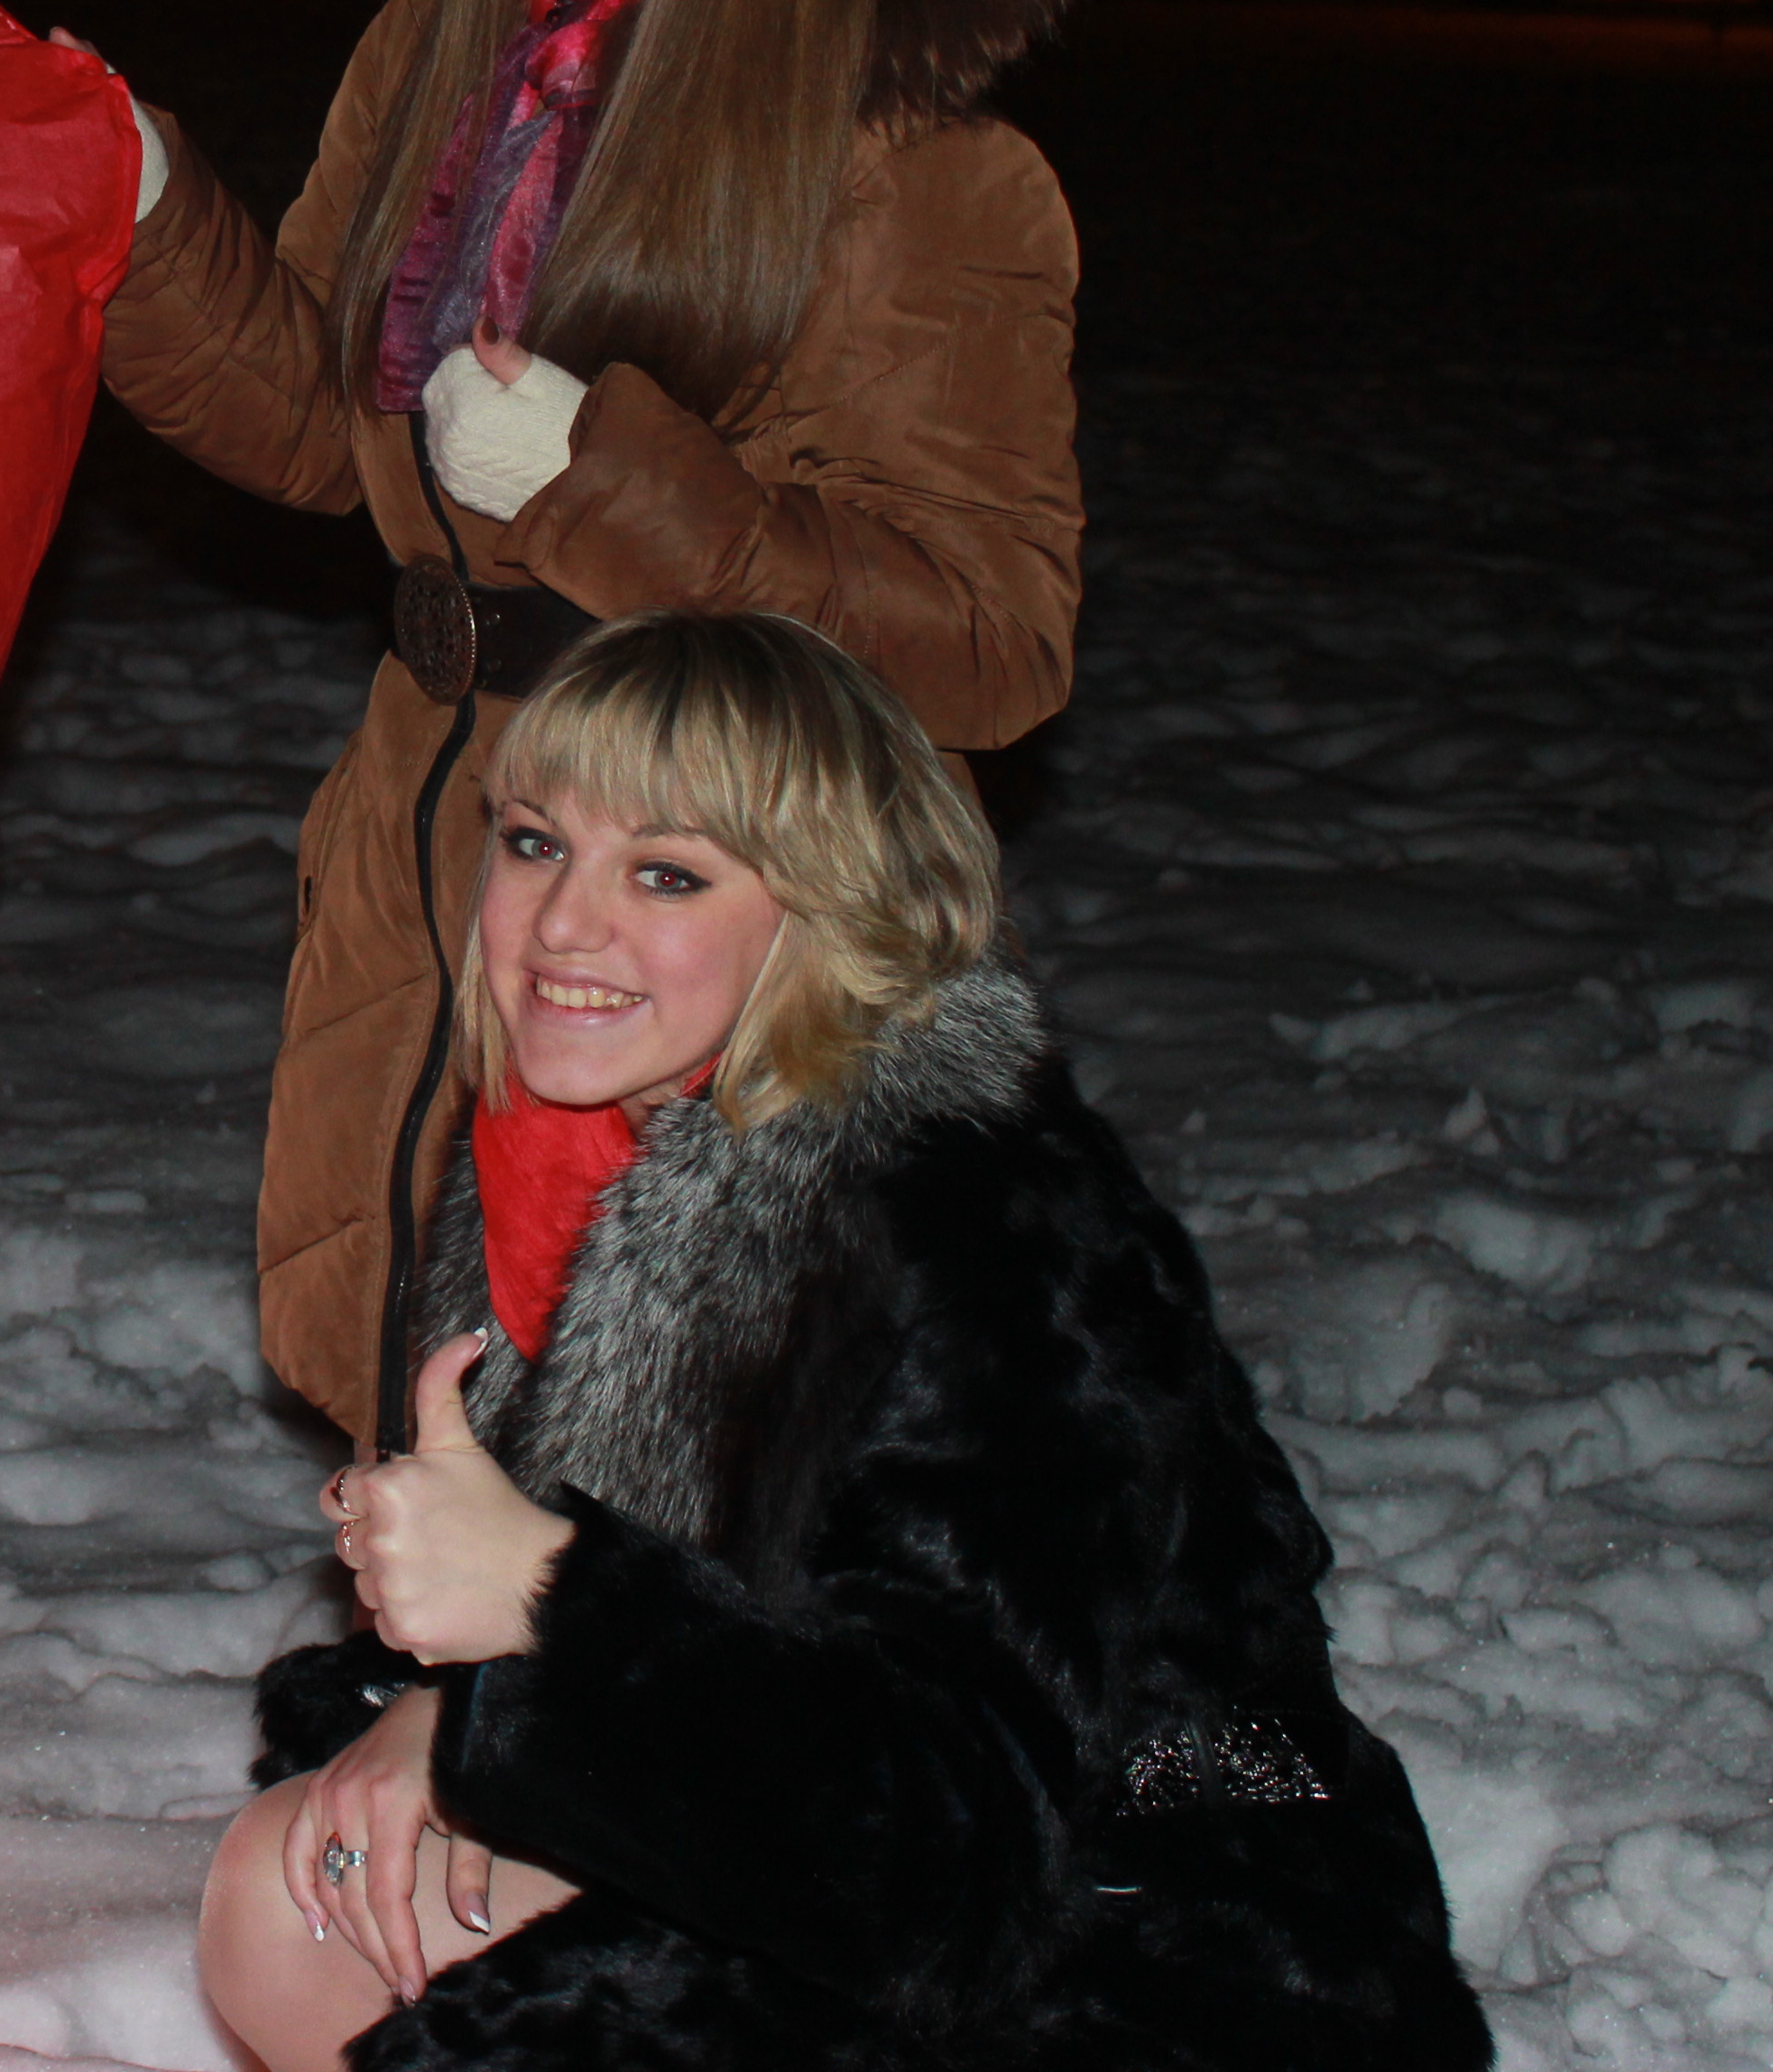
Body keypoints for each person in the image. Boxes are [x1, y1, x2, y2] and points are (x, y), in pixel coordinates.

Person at [85, 0, 1090, 1445]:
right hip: (432, 848)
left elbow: (989, 640)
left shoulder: (915, 168)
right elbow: (324, 427)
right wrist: (142, 218)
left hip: (707, 930)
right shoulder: (438, 63)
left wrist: (605, 484)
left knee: (670, 1451)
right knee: (424, 1401)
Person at [194, 612, 1486, 2069]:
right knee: (304, 1885)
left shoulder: (979, 1223)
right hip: (863, 1873)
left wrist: (549, 1610)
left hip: (1156, 1927)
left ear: (826, 913)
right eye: (536, 842)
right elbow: (717, 1662)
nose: (561, 925)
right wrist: (458, 1703)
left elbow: (951, 1858)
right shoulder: (568, 1155)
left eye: (666, 873)